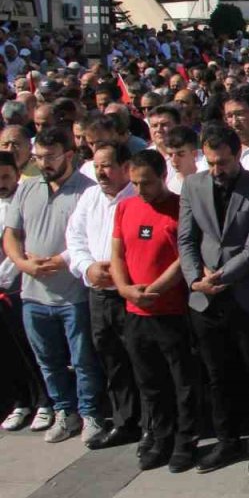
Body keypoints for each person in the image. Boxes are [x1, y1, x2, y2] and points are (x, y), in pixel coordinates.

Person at [177, 123, 249, 475]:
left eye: (223, 163)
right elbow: (186, 239)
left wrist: (219, 276)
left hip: (243, 295)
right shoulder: (193, 185)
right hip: (205, 301)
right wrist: (194, 280)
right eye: (210, 163)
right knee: (217, 375)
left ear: (237, 155)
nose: (217, 170)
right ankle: (226, 440)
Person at [3, 127, 102, 445]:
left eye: (51, 157)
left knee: (83, 359)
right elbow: (11, 235)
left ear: (69, 155)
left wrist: (61, 260)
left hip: (72, 293)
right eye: (39, 157)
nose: (43, 163)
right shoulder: (27, 189)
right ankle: (64, 410)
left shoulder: (87, 190)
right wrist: (23, 264)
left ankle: (90, 413)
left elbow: (89, 236)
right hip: (33, 293)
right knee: (47, 358)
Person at [110, 149, 199, 472]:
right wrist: (124, 288)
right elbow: (117, 253)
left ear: (163, 177)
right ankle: (160, 437)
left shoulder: (179, 208)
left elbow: (184, 257)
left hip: (170, 310)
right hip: (135, 311)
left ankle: (185, 441)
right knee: (149, 382)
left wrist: (156, 288)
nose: (140, 190)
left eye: (146, 183)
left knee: (182, 382)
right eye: (134, 183)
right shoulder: (126, 207)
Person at [65, 142, 141, 450]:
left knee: (140, 360)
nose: (101, 172)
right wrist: (88, 267)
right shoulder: (90, 197)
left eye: (107, 166)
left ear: (125, 167)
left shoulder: (137, 196)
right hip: (98, 293)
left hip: (130, 293)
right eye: (97, 166)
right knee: (112, 361)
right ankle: (125, 422)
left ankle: (152, 426)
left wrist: (123, 273)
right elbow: (75, 237)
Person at [0, 151, 53, 434]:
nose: (2, 183)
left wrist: (5, 276)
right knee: (7, 354)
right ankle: (20, 402)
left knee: (33, 350)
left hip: (21, 289)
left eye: (6, 176)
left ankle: (45, 401)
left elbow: (19, 246)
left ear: (16, 174)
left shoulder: (23, 199)